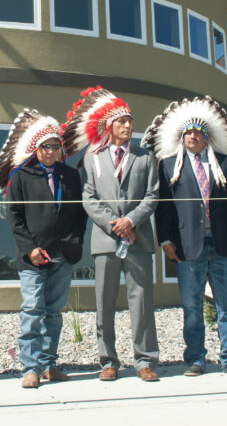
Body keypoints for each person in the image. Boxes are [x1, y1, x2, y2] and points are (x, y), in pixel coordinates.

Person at [63, 86, 160, 382]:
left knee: (141, 300)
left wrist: (130, 221)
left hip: (138, 238)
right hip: (106, 241)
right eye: (122, 121)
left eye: (130, 121)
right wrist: (113, 224)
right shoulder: (93, 158)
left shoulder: (145, 157)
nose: (128, 126)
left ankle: (145, 360)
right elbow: (88, 198)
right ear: (109, 126)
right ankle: (108, 360)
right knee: (104, 301)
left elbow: (153, 194)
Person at [149, 96, 227, 376]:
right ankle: (195, 358)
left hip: (223, 243)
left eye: (198, 132)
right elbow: (164, 208)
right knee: (192, 307)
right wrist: (166, 240)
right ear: (182, 137)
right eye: (188, 133)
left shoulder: (226, 164)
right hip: (186, 246)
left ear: (207, 136)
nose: (193, 137)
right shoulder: (170, 166)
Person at [0, 110, 87, 388]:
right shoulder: (21, 175)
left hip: (63, 254)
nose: (51, 151)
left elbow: (79, 214)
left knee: (54, 312)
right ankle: (30, 368)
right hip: (34, 257)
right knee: (33, 310)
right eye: (46, 146)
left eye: (55, 146)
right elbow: (14, 216)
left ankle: (48, 364)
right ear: (36, 148)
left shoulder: (70, 176)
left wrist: (75, 240)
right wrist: (29, 248)